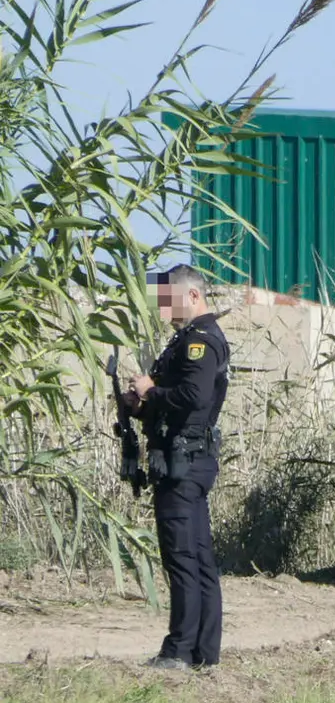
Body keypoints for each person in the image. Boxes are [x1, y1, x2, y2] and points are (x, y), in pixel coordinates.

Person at [127, 265, 231, 669]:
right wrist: (141, 402)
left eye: (168, 298)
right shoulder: (184, 340)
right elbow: (172, 398)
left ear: (192, 296)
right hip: (183, 458)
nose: (163, 307)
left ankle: (180, 651)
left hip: (184, 462)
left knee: (182, 556)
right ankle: (205, 652)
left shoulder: (201, 341)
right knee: (198, 557)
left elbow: (193, 395)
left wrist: (153, 391)